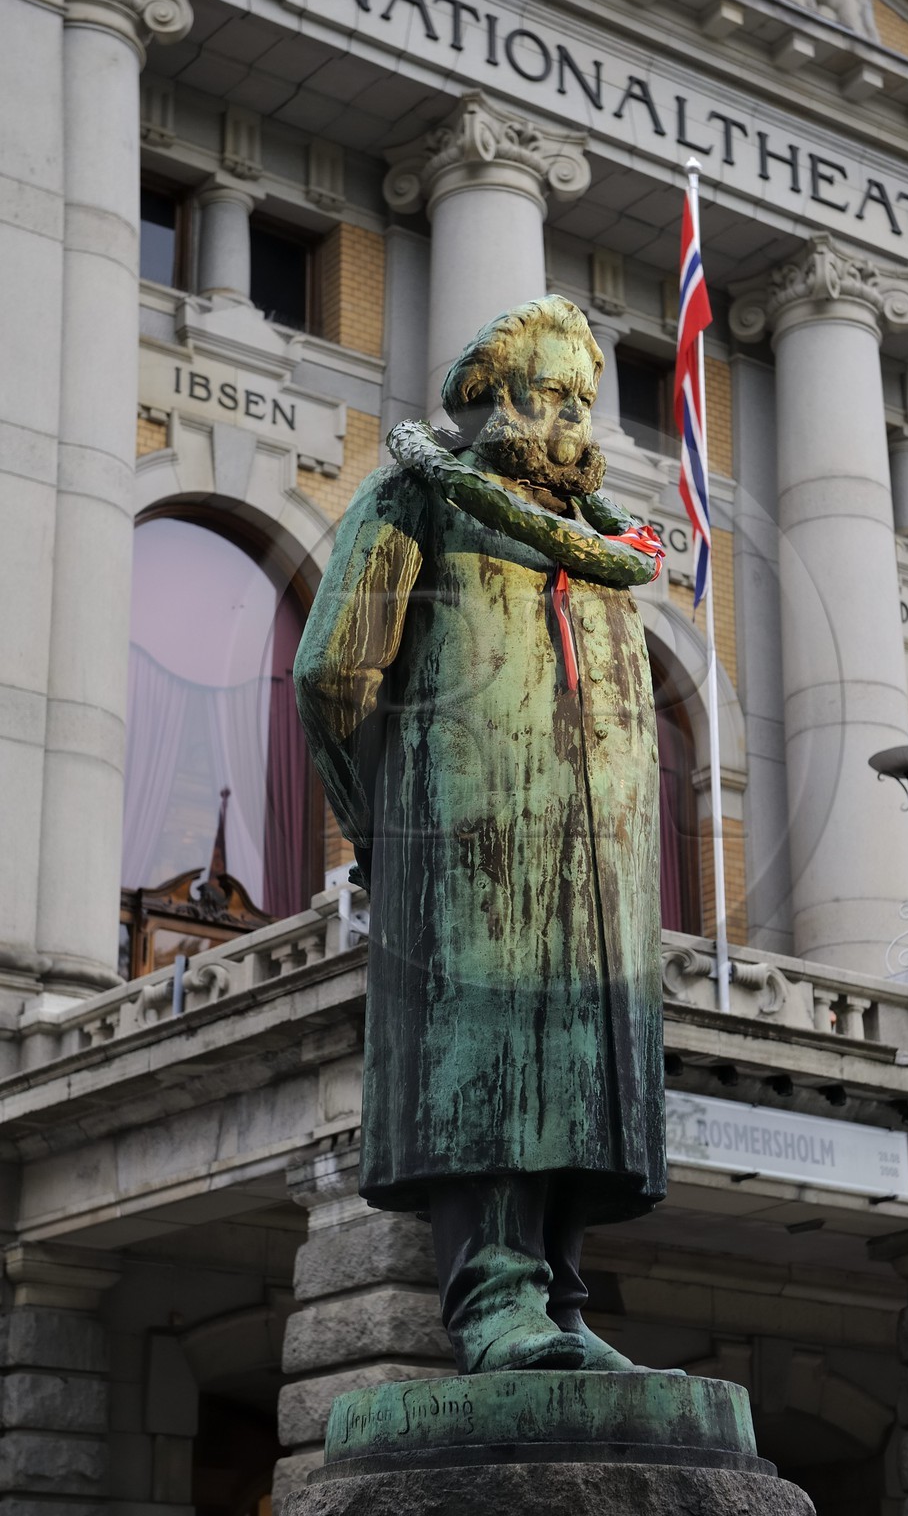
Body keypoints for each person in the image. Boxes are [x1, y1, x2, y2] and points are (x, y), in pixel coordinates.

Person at [295, 296, 668, 1375]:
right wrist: (391, 828)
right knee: (489, 1067)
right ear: (491, 397)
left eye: (584, 399)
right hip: (469, 848)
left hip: (597, 863)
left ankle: (561, 1304)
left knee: (581, 1076)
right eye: (551, 395)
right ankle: (494, 1301)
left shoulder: (604, 543)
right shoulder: (417, 496)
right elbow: (332, 672)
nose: (572, 419)